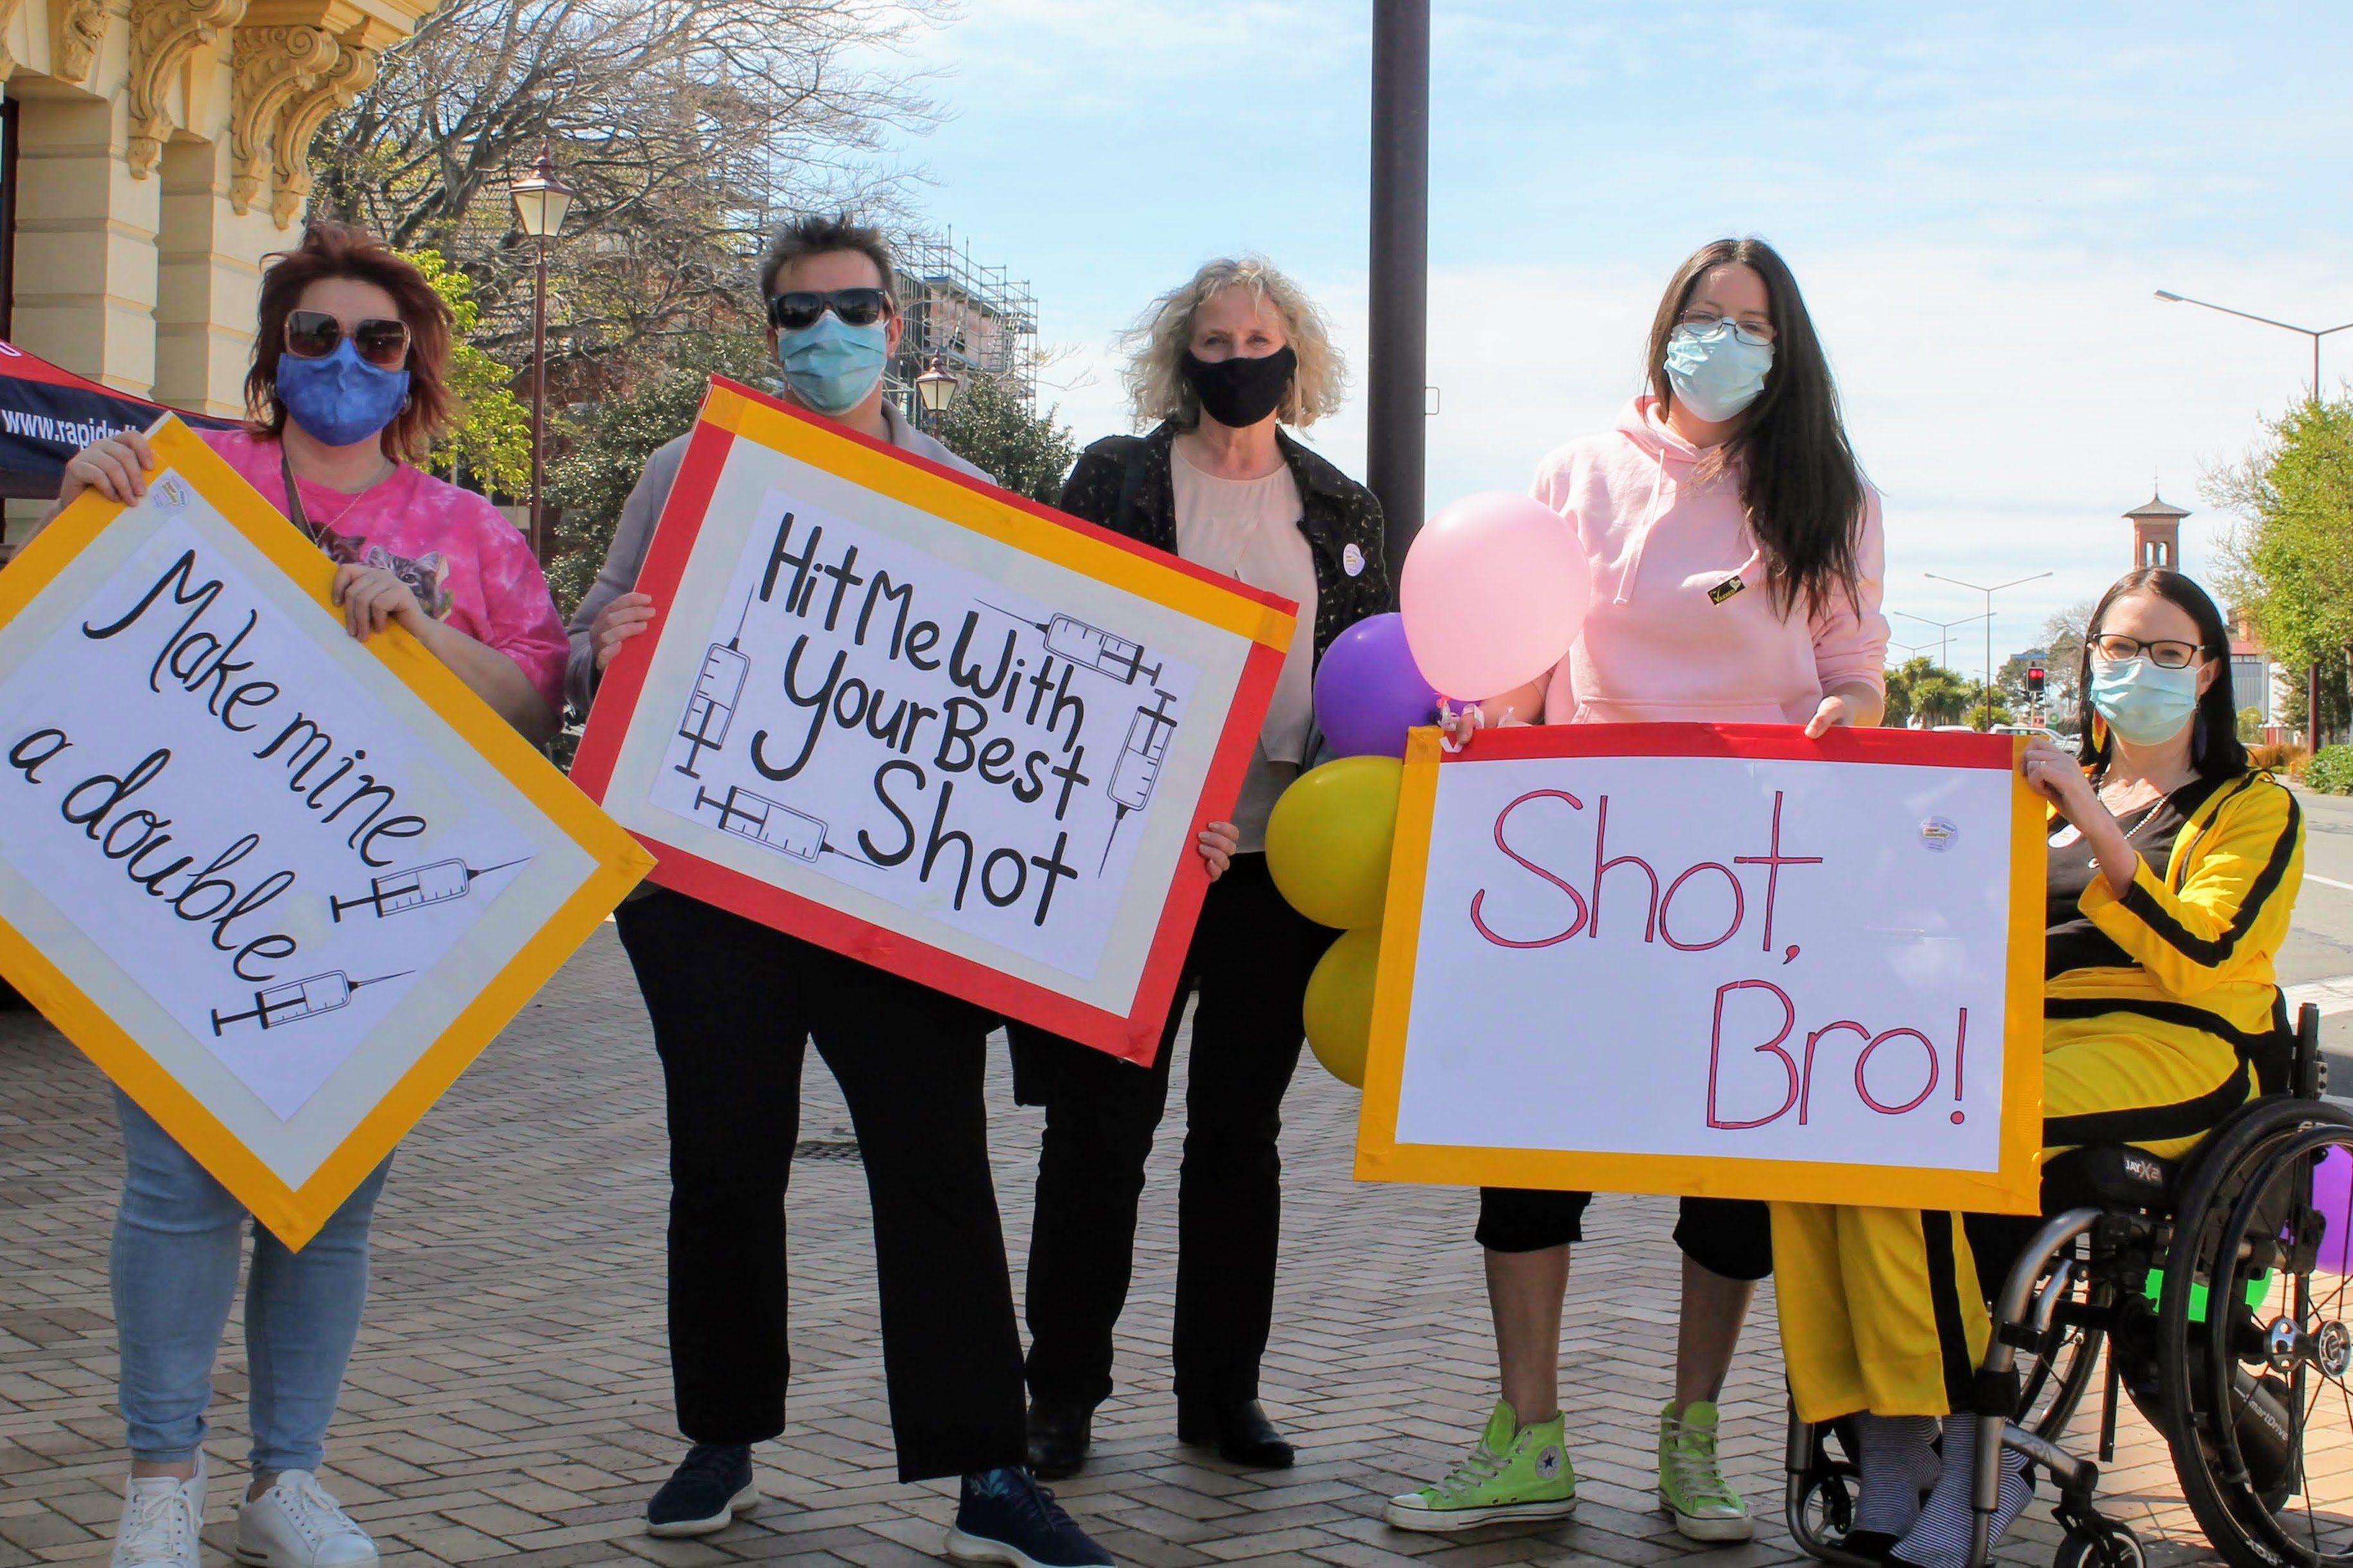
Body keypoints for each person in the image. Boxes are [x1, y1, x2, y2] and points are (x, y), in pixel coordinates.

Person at [570, 212, 1116, 1568]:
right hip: (710, 890)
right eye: (799, 313)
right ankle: (722, 1436)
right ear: (767, 331)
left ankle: (987, 1470)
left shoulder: (967, 493)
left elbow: (1035, 706)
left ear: (895, 324)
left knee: (936, 1167)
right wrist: (609, 639)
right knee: (724, 1155)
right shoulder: (685, 469)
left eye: (853, 309)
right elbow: (589, 629)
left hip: (897, 896)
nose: (827, 334)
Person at [48, 222, 568, 1568]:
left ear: (417, 369)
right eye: (317, 335)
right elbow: (50, 629)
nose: (347, 358)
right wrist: (77, 502)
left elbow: (534, 698)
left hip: (374, 924)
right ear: (276, 356)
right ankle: (161, 1479)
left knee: (326, 1196)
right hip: (172, 892)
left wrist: (421, 629)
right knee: (174, 1185)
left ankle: (289, 1480)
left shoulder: (470, 532)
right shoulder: (183, 476)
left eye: (377, 340)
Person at [1391, 236, 1888, 1538]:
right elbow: (1529, 650)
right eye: (1705, 316)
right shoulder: (1579, 472)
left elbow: (1852, 659)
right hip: (1591, 867)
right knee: (1532, 1155)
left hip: (1754, 872)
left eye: (1755, 325)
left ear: (1790, 351)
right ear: (1663, 328)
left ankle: (1695, 1437)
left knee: (1729, 1172)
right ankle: (1529, 1435)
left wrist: (1849, 711)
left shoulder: (1826, 488)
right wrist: (1484, 727)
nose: (1725, 342)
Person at [1774, 567, 2302, 1568]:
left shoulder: (2248, 806)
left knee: (1933, 1128)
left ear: (2207, 675)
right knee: (1820, 1137)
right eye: (2117, 648)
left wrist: (2089, 821)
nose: (2136, 669)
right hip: (2027, 1039)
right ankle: (1892, 1448)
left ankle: (1987, 1453)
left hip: (2171, 1049)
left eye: (2166, 652)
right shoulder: (2039, 790)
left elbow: (2205, 955)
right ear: (2086, 659)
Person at [1011, 257, 1390, 1479]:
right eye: (1218, 341)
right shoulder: (1114, 475)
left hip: (1280, 863)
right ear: (1185, 356)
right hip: (1127, 858)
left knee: (1240, 1138)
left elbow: (1369, 683)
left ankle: (1222, 1395)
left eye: (1261, 337)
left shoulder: (1341, 506)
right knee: (1095, 1133)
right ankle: (1060, 1393)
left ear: (1298, 353)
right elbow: (1055, 637)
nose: (1241, 359)